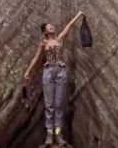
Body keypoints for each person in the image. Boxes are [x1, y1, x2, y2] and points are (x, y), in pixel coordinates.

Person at [23, 10, 84, 145]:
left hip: (61, 72)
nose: (52, 27)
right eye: (49, 27)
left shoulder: (59, 39)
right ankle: (49, 136)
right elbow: (36, 58)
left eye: (52, 26)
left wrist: (78, 15)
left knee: (59, 105)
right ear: (45, 31)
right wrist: (27, 72)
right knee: (49, 105)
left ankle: (58, 135)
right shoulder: (43, 44)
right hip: (48, 72)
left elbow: (68, 26)